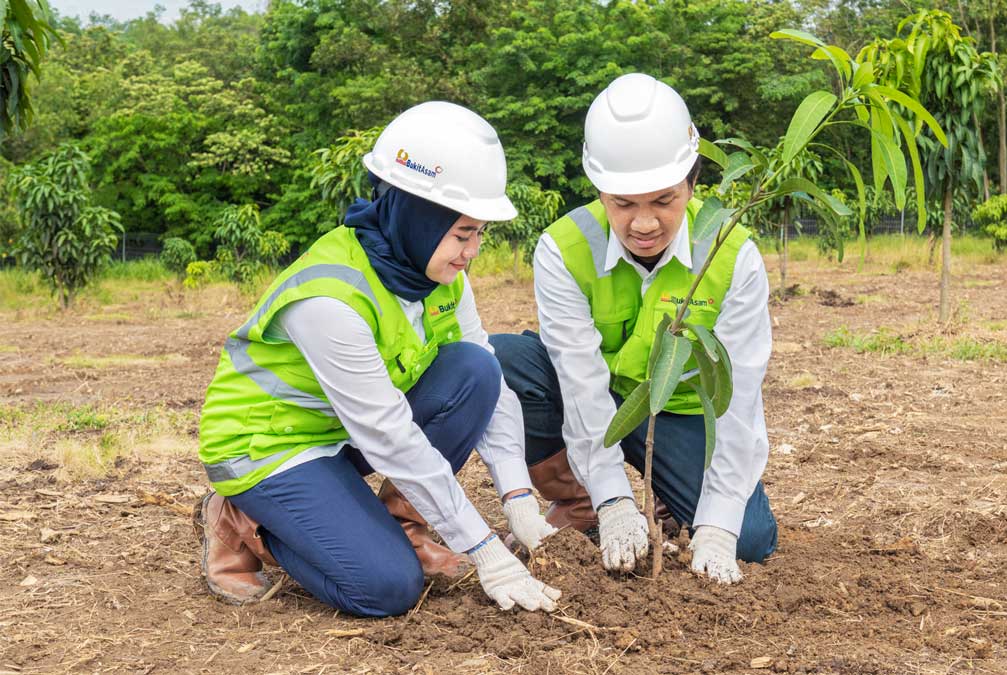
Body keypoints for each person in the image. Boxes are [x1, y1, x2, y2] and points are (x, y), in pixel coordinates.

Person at [194, 101, 561, 617]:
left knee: (476, 370)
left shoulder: (437, 274)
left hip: (343, 430)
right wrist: (484, 549)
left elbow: (490, 385)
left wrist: (517, 495)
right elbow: (389, 436)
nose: (473, 251)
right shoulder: (329, 299)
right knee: (386, 587)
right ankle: (243, 520)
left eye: (480, 232)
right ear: (417, 219)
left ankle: (401, 528)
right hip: (271, 447)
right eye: (462, 234)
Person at [491, 73, 778, 584]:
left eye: (663, 200)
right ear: (600, 190)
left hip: (679, 412)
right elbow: (580, 383)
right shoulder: (564, 248)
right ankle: (580, 501)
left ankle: (671, 499)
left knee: (750, 538)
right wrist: (613, 500)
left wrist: (717, 526)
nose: (643, 224)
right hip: (594, 399)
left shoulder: (732, 255)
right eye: (623, 203)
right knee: (506, 359)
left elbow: (738, 401)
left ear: (692, 184)